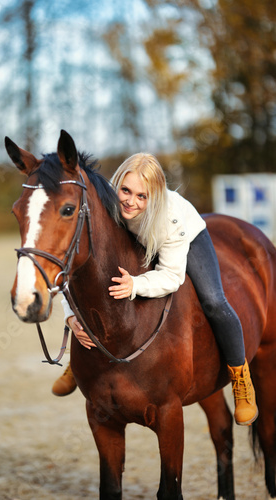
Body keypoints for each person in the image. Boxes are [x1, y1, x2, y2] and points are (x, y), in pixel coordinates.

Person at [52, 153, 258, 426]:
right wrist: (70, 316)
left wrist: (136, 284)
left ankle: (240, 378)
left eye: (142, 196)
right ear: (117, 184)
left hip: (183, 236)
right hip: (136, 235)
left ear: (154, 197)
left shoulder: (170, 217)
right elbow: (78, 270)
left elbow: (172, 277)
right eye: (125, 190)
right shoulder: (105, 204)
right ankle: (76, 363)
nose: (130, 201)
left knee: (213, 301)